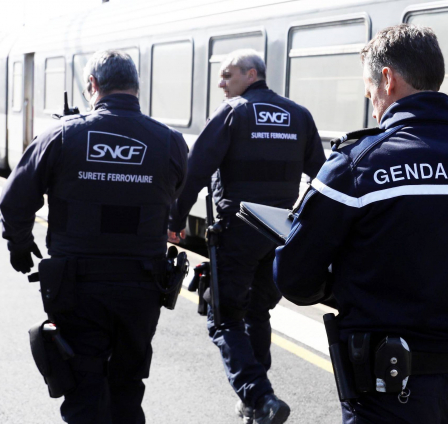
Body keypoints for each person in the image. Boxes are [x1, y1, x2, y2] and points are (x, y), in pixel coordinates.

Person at [274, 24, 448, 424]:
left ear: (387, 79)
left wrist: (345, 283)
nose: (371, 105)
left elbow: (294, 277)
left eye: (369, 90)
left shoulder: (356, 166)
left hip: (384, 388)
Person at [0, 50, 188, 424]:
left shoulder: (62, 135)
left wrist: (19, 245)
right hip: (143, 285)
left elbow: (14, 200)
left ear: (92, 85)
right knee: (128, 384)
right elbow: (175, 192)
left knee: (83, 386)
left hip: (76, 286)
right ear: (136, 88)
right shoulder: (170, 142)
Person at [169, 49, 325, 424]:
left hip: (237, 232)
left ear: (252, 74)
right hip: (279, 233)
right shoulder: (299, 116)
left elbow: (195, 170)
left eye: (227, 75)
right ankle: (258, 400)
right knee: (257, 312)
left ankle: (259, 397)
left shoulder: (234, 113)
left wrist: (175, 218)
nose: (221, 83)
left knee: (224, 318)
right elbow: (321, 175)